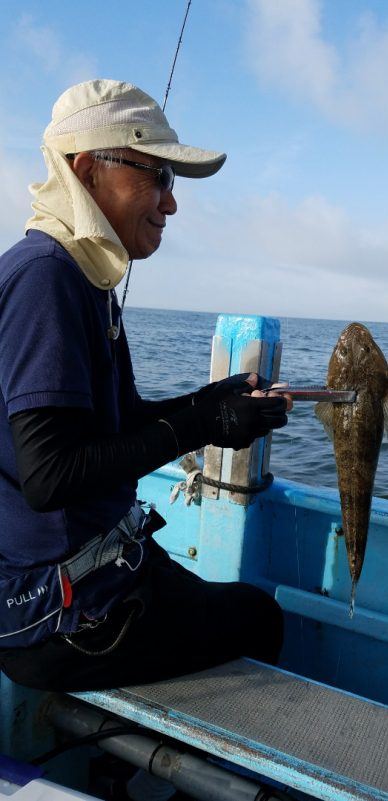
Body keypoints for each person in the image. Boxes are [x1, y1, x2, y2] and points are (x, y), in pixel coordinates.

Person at [0, 79, 291, 698]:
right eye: (157, 175)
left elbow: (124, 420)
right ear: (87, 171)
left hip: (103, 569)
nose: (171, 201)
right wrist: (205, 426)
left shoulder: (85, 277)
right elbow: (50, 476)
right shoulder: (45, 280)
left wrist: (215, 401)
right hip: (58, 618)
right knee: (261, 618)